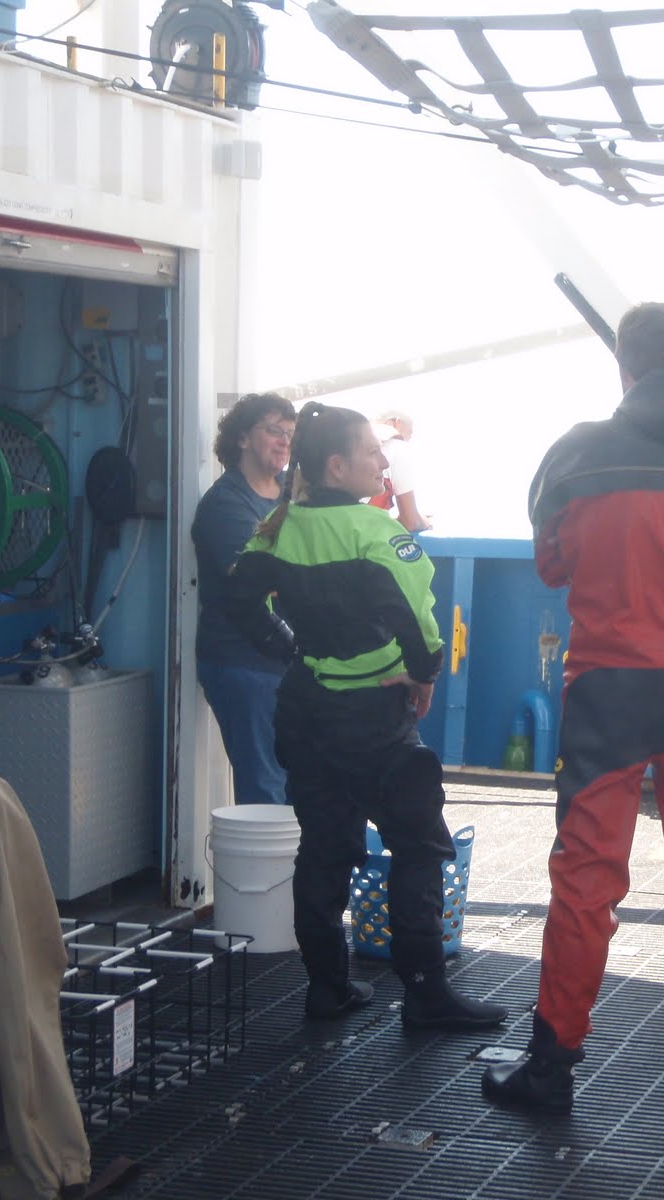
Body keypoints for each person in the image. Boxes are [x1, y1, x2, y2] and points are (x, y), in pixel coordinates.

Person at [481, 302, 664, 1113]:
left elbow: (549, 562)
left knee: (587, 878)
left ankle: (551, 1070)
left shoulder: (575, 455)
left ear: (622, 361)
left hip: (606, 688)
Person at [224, 402, 506, 1030]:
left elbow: (238, 596)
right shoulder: (378, 533)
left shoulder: (276, 525)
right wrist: (425, 673)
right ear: (336, 465)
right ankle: (426, 996)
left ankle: (327, 989)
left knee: (323, 851)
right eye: (371, 453)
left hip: (308, 710)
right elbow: (418, 621)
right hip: (376, 716)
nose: (383, 462)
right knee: (418, 847)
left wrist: (288, 646)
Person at [191, 393, 296, 807]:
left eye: (290, 434)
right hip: (243, 663)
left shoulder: (292, 493)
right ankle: (265, 873)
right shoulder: (225, 504)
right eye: (274, 430)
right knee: (265, 787)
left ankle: (295, 873)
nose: (284, 441)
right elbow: (256, 578)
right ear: (242, 439)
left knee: (298, 781)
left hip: (290, 661)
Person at [366, 410, 429, 532]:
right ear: (396, 423)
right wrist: (426, 521)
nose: (407, 442)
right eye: (409, 436)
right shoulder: (397, 447)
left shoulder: (346, 446)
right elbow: (412, 522)